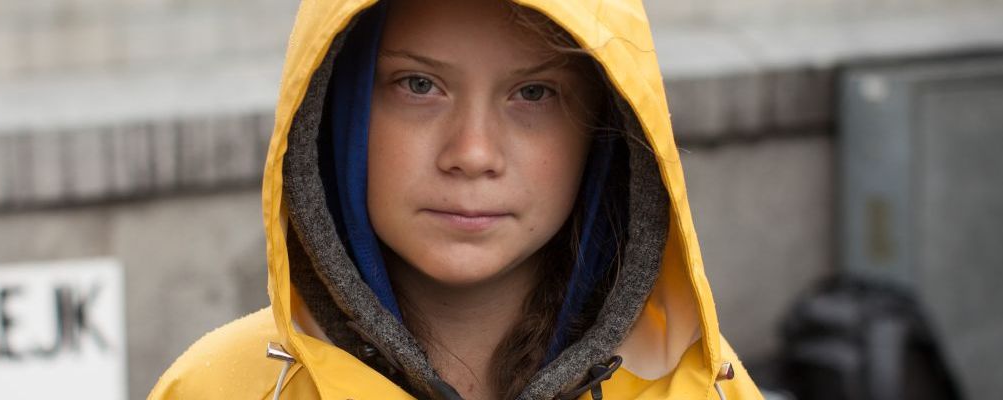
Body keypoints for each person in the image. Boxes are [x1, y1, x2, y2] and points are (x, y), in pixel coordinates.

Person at [150, 0, 764, 398]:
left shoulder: (700, 390)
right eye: (419, 85)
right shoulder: (221, 387)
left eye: (534, 93)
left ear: (606, 134)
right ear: (337, 109)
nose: (472, 153)